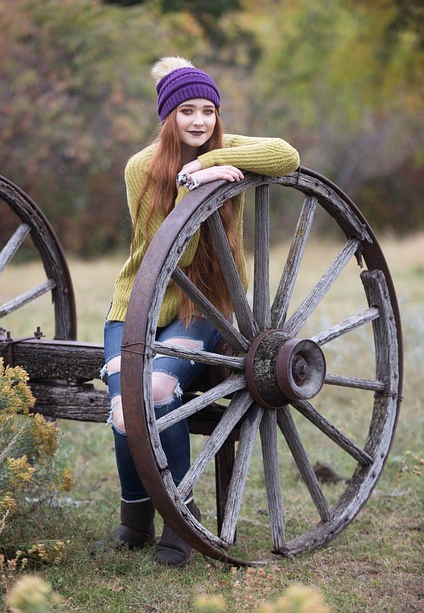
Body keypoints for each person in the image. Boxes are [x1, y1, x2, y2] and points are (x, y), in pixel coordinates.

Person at [100, 56, 300, 567]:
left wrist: (208, 163)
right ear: (168, 116)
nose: (198, 121)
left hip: (201, 308)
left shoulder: (224, 149)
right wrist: (192, 189)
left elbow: (286, 155)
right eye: (186, 110)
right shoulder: (140, 168)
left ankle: (178, 518)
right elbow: (169, 255)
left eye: (208, 111)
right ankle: (137, 515)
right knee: (127, 404)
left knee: (160, 390)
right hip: (139, 304)